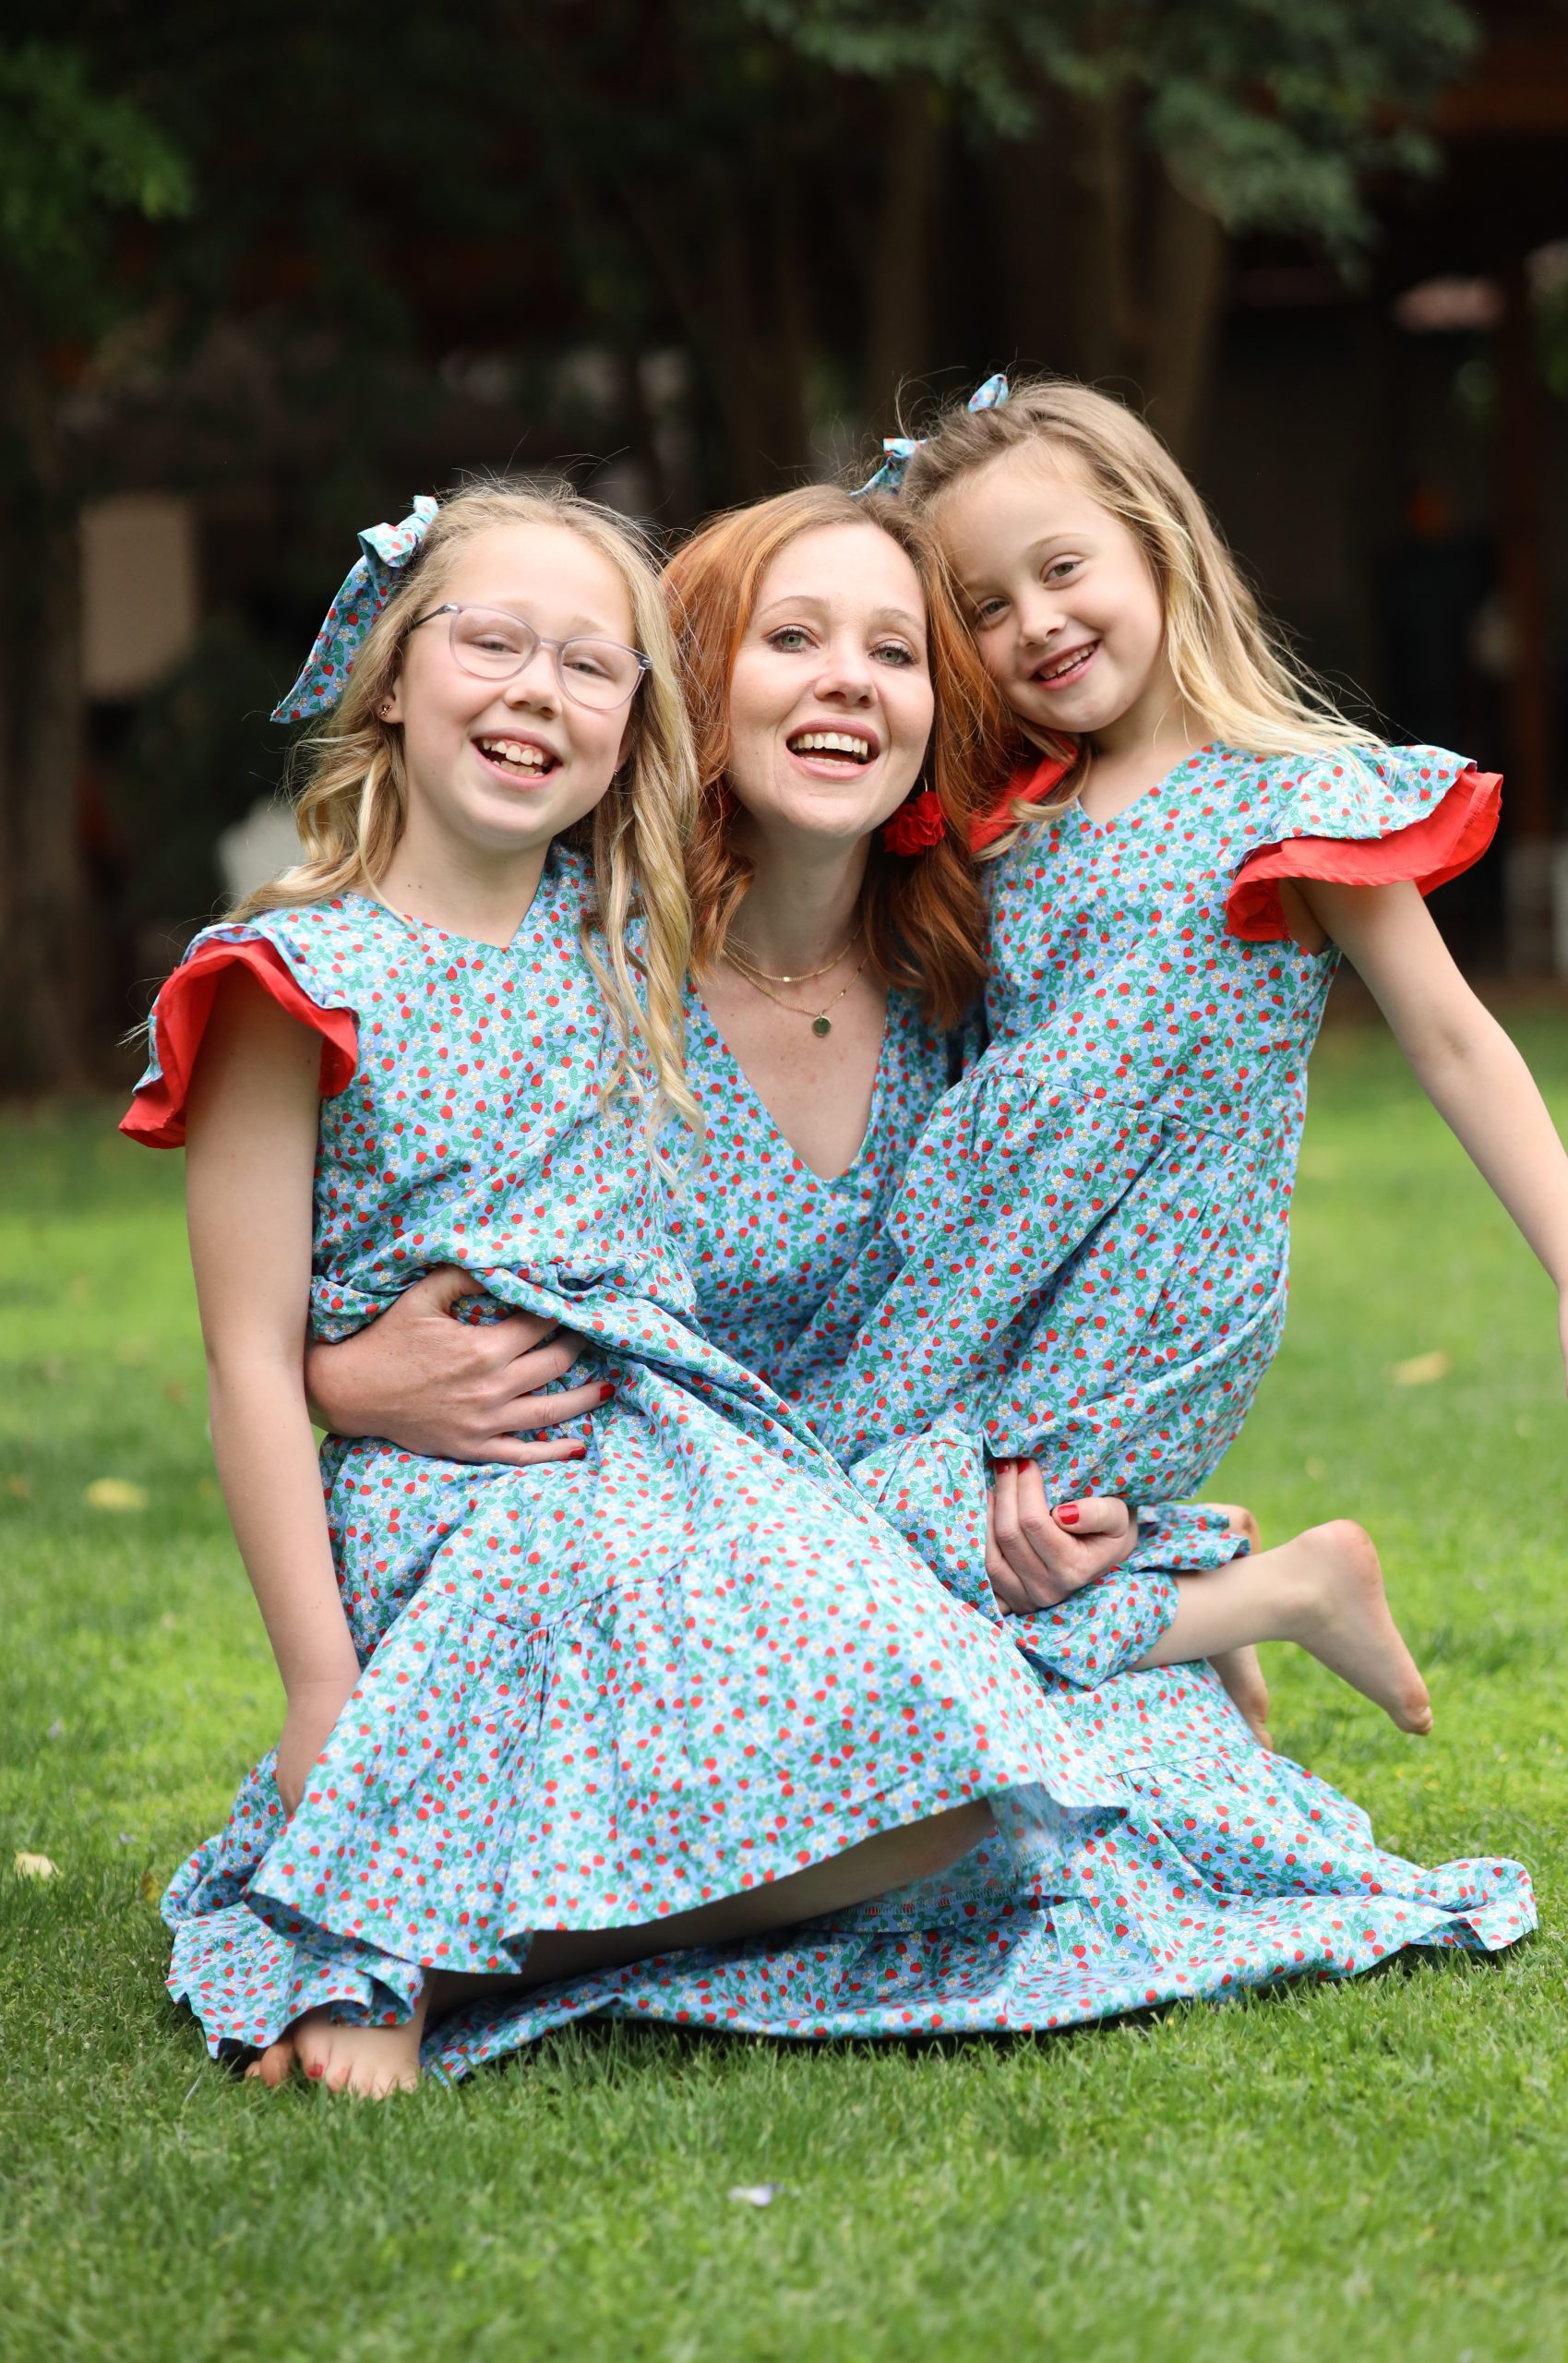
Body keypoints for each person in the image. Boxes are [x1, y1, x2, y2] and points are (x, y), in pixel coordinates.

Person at [303, 485, 1531, 2070]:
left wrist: (1057, 1471)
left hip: (873, 1505)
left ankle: (1168, 1600)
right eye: (793, 638)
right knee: (969, 1770)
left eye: (894, 652)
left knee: (1073, 1822)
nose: (848, 682)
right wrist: (343, 1374)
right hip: (629, 1529)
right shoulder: (577, 941)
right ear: (698, 678)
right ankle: (1196, 1606)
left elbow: (1109, 1161)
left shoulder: (964, 969)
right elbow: (398, 1207)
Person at [124, 479, 1127, 2096]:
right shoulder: (288, 980)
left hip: (680, 1465)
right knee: (574, 1596)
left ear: (636, 729)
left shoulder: (619, 936)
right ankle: (378, 1939)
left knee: (963, 1777)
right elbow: (247, 1360)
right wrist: (319, 1690)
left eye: (591, 666)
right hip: (472, 1489)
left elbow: (873, 815)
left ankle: (437, 1943)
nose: (538, 692)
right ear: (391, 678)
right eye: (492, 644)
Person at [819, 378, 1568, 1641]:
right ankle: (1210, 1622)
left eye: (1063, 569)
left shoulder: (1294, 802)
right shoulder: (1005, 817)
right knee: (867, 1526)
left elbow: (1451, 1040)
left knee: (952, 1563)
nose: (1037, 623)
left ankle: (1281, 1595)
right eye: (987, 607)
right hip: (979, 1260)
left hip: (1153, 1291)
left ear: (1156, 542)